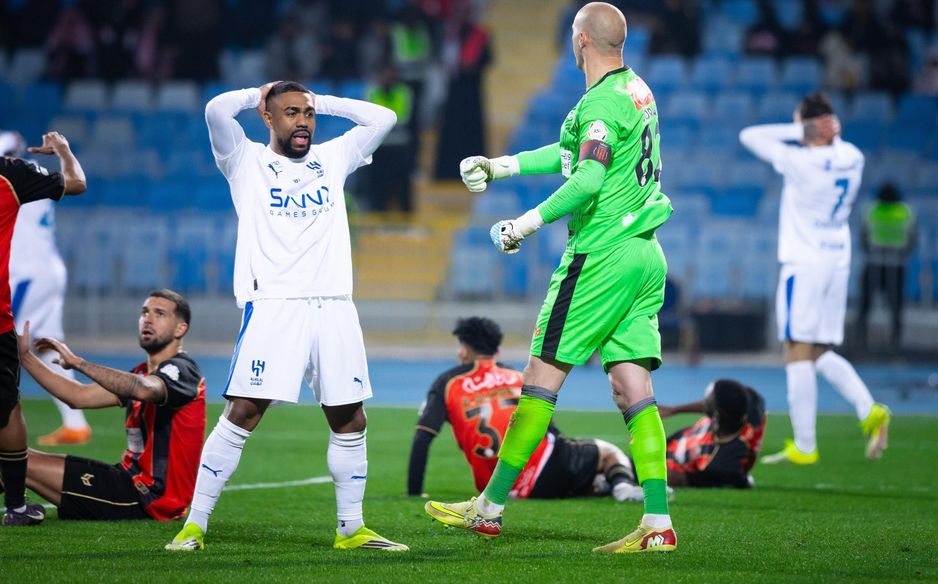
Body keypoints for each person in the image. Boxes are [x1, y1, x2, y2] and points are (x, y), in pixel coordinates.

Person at [425, 2, 677, 554]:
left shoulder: (601, 104)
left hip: (601, 257)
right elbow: (573, 157)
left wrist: (526, 222)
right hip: (645, 255)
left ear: (580, 40)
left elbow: (586, 180)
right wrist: (501, 166)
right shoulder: (635, 91)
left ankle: (488, 508)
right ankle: (657, 523)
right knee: (633, 389)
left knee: (539, 379)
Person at [166, 81, 406, 552]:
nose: (303, 122)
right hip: (275, 306)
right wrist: (258, 90)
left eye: (308, 114)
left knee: (350, 419)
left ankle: (351, 529)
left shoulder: (333, 158)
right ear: (267, 118)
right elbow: (216, 108)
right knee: (243, 412)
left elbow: (385, 119)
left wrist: (323, 100)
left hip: (335, 305)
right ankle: (194, 525)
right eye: (291, 113)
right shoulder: (245, 161)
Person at [739, 92, 892, 466]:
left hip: (803, 261)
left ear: (808, 125)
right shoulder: (852, 156)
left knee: (795, 349)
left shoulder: (800, 161)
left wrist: (797, 130)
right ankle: (868, 409)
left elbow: (750, 136)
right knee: (818, 350)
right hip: (836, 260)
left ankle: (806, 445)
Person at [17, 290, 206, 521]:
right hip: (125, 481)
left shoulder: (182, 370)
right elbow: (78, 396)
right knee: (15, 456)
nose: (148, 319)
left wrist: (79, 364)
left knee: (17, 462)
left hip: (149, 500)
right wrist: (25, 356)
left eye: (160, 314)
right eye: (144, 312)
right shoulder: (140, 372)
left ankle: (15, 509)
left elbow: (144, 389)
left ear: (180, 329)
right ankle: (16, 510)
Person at [408, 317, 640, 502]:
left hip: (498, 486)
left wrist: (414, 492)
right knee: (606, 451)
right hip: (545, 466)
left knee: (581, 472)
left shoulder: (447, 382)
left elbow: (422, 438)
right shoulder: (516, 376)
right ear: (496, 351)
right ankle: (622, 488)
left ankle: (601, 484)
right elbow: (545, 424)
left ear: (465, 350)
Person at [0, 131, 86, 526]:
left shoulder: (14, 177)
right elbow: (75, 183)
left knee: (28, 349)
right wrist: (65, 152)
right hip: (43, 271)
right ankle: (75, 421)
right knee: (45, 347)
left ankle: (75, 420)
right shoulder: (18, 174)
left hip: (27, 274)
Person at [657, 380, 766, 489]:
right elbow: (721, 403)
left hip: (668, 458)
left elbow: (678, 478)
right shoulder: (747, 408)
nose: (704, 401)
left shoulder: (719, 463)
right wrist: (674, 410)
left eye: (710, 399)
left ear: (717, 414)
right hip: (676, 442)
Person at [856, 183, 916, 350]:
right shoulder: (904, 211)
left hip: (874, 262)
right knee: (896, 306)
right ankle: (895, 341)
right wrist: (904, 254)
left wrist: (868, 253)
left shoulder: (872, 209)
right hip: (896, 264)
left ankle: (860, 340)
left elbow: (863, 236)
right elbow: (912, 238)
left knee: (866, 305)